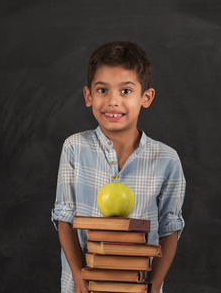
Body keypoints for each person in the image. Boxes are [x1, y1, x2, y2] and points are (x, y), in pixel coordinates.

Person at [51, 41, 186, 293]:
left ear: (146, 97)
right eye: (102, 90)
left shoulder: (167, 159)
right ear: (88, 96)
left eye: (125, 91)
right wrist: (79, 278)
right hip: (82, 286)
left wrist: (153, 286)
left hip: (139, 286)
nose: (113, 101)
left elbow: (170, 229)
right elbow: (64, 218)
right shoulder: (75, 148)